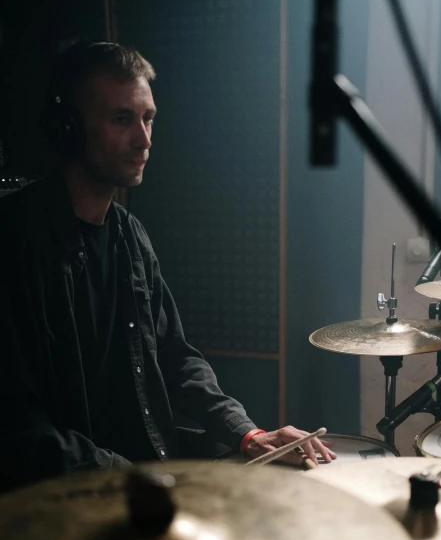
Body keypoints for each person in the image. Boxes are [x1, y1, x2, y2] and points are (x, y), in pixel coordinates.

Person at [0, 41, 334, 493]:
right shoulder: (16, 239)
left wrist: (247, 432)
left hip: (145, 473)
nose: (144, 140)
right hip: (62, 500)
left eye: (148, 118)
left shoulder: (129, 236)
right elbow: (16, 425)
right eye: (122, 119)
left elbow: (175, 357)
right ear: (69, 129)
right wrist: (129, 477)